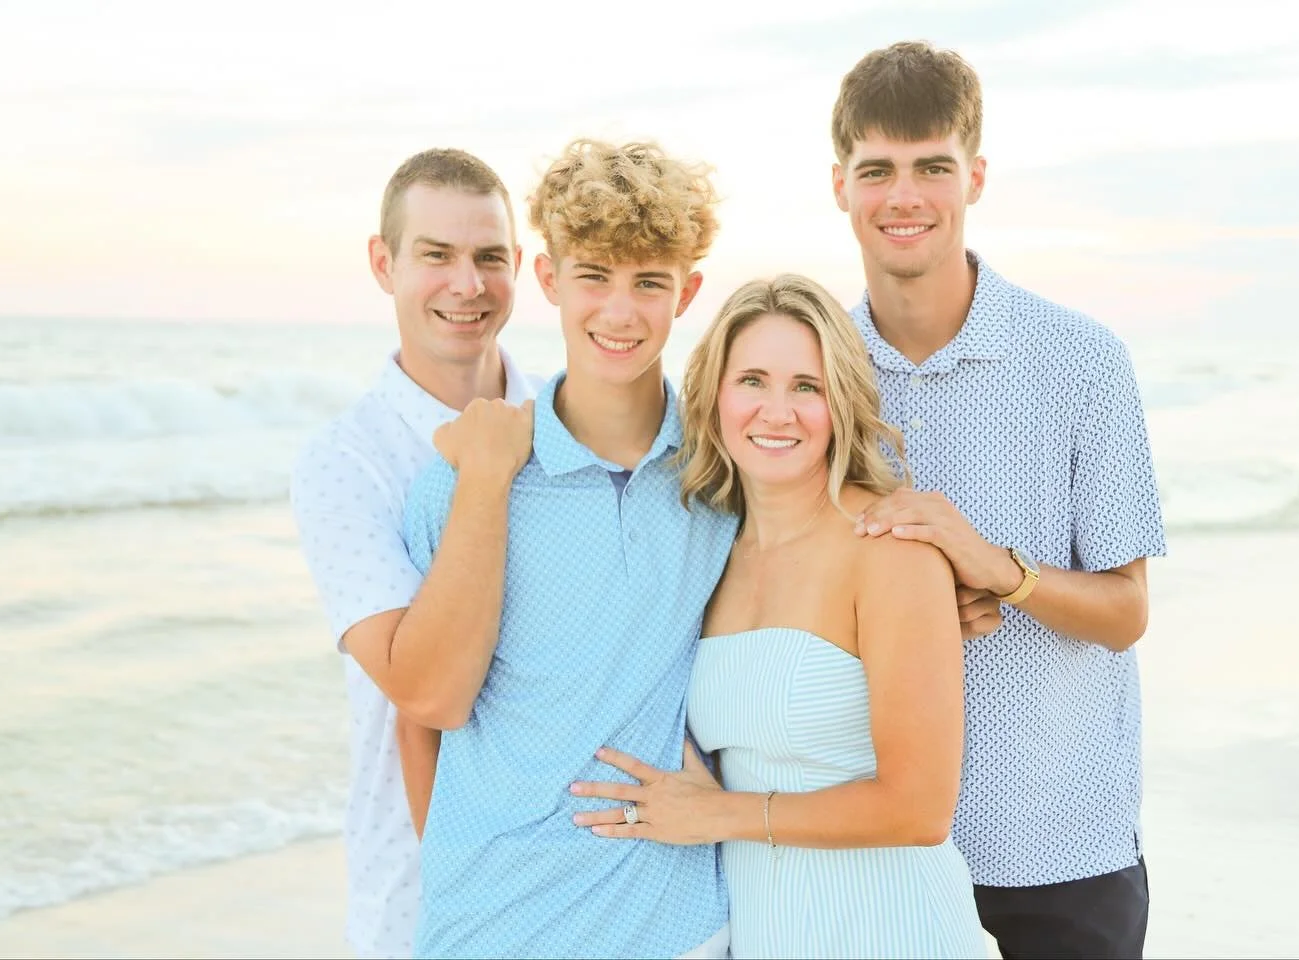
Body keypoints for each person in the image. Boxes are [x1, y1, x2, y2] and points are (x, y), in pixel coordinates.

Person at [830, 41, 1168, 958]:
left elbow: (1127, 610)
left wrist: (1000, 572)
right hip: (883, 852)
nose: (905, 197)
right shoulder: (816, 376)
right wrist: (909, 606)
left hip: (1064, 849)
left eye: (932, 167)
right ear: (840, 185)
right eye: (879, 170)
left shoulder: (1081, 360)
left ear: (974, 177)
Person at [570, 274, 988, 959]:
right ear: (714, 396)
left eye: (807, 387)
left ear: (840, 402)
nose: (777, 412)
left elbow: (920, 808)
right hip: (770, 934)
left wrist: (719, 814)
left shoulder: (887, 548)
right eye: (753, 381)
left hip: (900, 930)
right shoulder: (709, 555)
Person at [397, 139, 734, 959]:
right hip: (493, 926)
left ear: (687, 292)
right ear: (549, 280)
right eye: (595, 277)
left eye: (649, 282)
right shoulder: (464, 482)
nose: (619, 313)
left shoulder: (723, 477)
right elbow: (427, 708)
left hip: (677, 925)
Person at [288, 148, 540, 959]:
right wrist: (488, 470)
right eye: (436, 256)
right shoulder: (346, 462)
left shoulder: (575, 418)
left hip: (584, 879)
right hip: (420, 900)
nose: (467, 285)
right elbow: (427, 689)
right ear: (383, 263)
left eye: (489, 258)